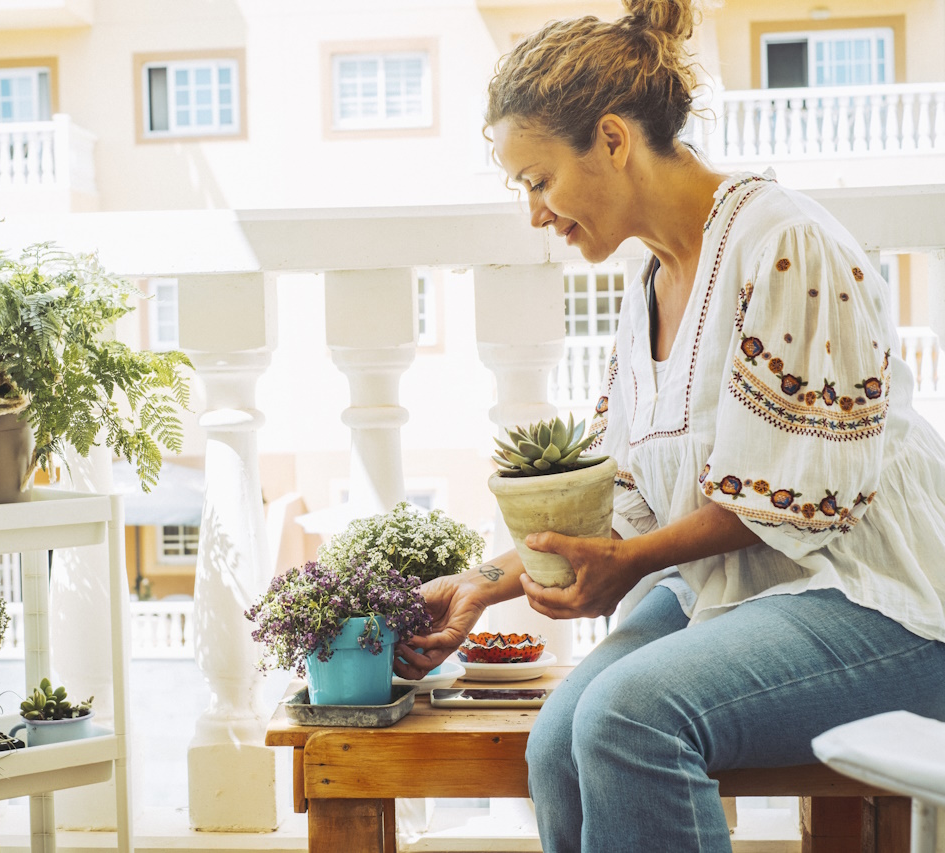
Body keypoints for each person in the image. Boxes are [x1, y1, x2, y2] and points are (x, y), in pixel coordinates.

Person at [391, 1, 945, 850]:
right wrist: (480, 582)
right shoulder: (649, 287)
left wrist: (634, 565)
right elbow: (622, 499)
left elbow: (794, 499)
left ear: (612, 139)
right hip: (738, 590)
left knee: (629, 717)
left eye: (538, 180)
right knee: (558, 744)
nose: (534, 212)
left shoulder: (784, 242)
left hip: (880, 600)